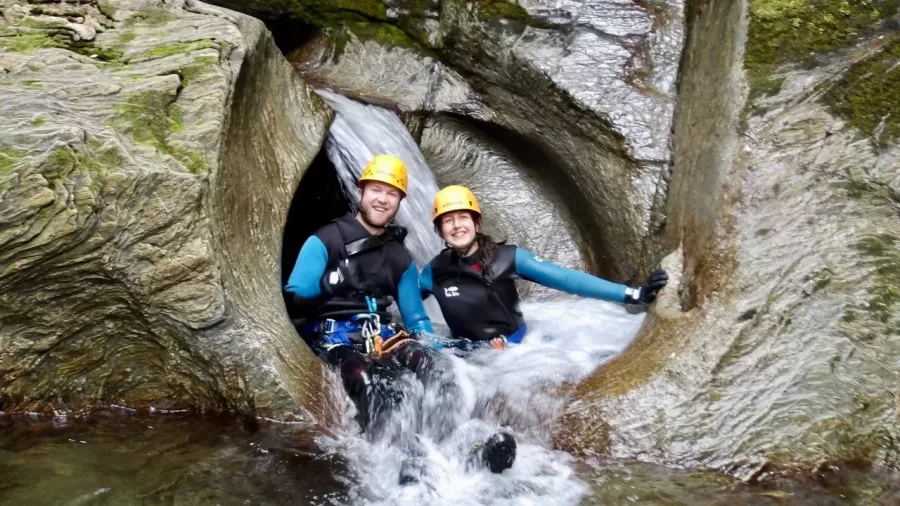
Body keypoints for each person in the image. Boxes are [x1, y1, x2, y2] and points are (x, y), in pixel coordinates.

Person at [284, 156, 512, 479]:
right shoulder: (325, 240)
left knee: (440, 372)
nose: (382, 199)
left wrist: (462, 347)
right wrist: (326, 285)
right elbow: (295, 299)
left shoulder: (399, 257)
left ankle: (459, 453)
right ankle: (402, 466)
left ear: (400, 201)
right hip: (333, 337)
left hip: (383, 335)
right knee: (375, 386)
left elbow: (417, 321)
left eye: (391, 194)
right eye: (376, 190)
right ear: (361, 191)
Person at [420, 184, 670, 350]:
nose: (457, 226)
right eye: (448, 221)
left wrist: (632, 294)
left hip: (514, 354)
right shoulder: (434, 271)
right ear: (440, 231)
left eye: (463, 217)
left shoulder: (509, 258)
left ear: (477, 223)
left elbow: (565, 279)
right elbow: (403, 293)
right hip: (464, 359)